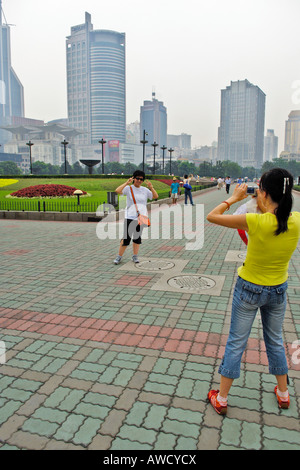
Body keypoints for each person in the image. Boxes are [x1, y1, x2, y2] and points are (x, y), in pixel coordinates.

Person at [206, 168, 300, 415]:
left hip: (249, 288)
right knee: (276, 341)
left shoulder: (256, 220)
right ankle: (283, 393)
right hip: (278, 290)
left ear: (264, 193)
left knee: (237, 341)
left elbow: (212, 216)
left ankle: (222, 398)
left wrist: (233, 199)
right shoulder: (297, 220)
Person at [113, 170, 158, 265]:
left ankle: (135, 256)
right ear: (133, 178)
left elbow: (155, 196)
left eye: (141, 179)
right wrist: (126, 182)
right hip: (130, 216)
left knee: (137, 238)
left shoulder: (145, 190)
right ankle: (119, 256)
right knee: (126, 238)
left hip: (141, 217)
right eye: (137, 178)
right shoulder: (128, 188)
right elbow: (117, 191)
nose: (139, 180)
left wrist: (151, 187)